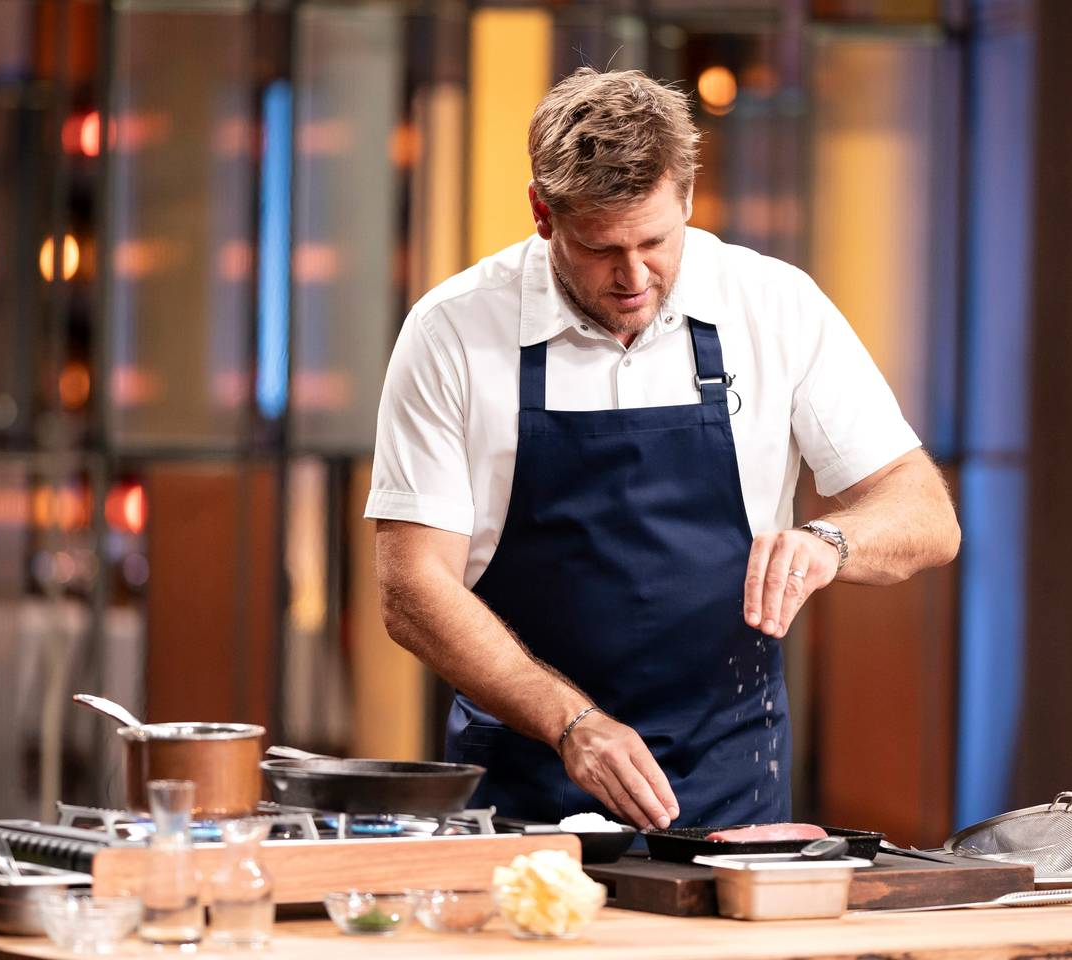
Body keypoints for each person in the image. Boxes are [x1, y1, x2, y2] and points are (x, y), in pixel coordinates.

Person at [366, 67, 959, 831]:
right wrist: (569, 722)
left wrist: (829, 540)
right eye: (600, 248)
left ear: (687, 197)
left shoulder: (774, 306)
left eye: (655, 242)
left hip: (732, 785)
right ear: (542, 213)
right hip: (525, 786)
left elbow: (925, 515)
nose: (634, 277)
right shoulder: (453, 330)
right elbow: (413, 586)